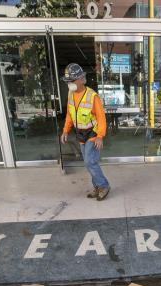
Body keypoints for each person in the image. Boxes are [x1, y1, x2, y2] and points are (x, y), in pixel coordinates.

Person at [60, 63, 111, 201]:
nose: (69, 84)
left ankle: (103, 185)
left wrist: (100, 136)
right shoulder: (71, 95)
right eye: (68, 81)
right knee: (89, 162)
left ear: (81, 79)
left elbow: (101, 117)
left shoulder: (92, 96)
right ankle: (97, 187)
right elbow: (70, 115)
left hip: (92, 133)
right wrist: (65, 130)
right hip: (80, 133)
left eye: (71, 81)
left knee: (90, 162)